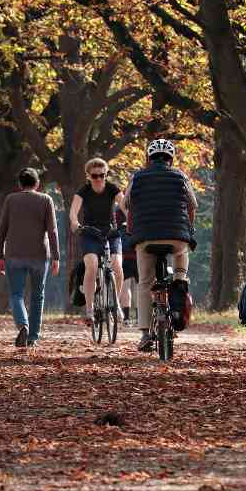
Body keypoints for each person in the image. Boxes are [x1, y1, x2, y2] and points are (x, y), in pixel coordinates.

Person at [126, 139, 198, 352]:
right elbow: (192, 204)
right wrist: (189, 230)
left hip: (145, 237)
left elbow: (126, 204)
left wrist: (132, 229)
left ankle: (145, 334)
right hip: (177, 237)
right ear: (171, 158)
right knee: (181, 261)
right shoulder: (180, 176)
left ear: (148, 158)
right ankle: (179, 281)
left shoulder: (137, 178)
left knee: (145, 282)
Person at [0, 168, 61, 347]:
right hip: (40, 254)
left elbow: (1, 230)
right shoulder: (46, 199)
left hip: (14, 255)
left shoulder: (10, 200)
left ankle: (23, 324)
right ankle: (33, 337)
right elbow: (52, 231)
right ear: (37, 183)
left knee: (16, 294)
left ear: (19, 184)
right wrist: (56, 256)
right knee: (38, 296)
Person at [69, 158, 127, 326]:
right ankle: (89, 309)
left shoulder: (112, 189)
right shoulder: (83, 192)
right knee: (92, 265)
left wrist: (130, 219)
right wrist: (75, 223)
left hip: (111, 232)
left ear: (106, 174)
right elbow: (74, 212)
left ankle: (115, 303)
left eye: (102, 175)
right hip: (90, 233)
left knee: (117, 265)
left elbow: (124, 205)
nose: (99, 179)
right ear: (88, 176)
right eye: (95, 176)